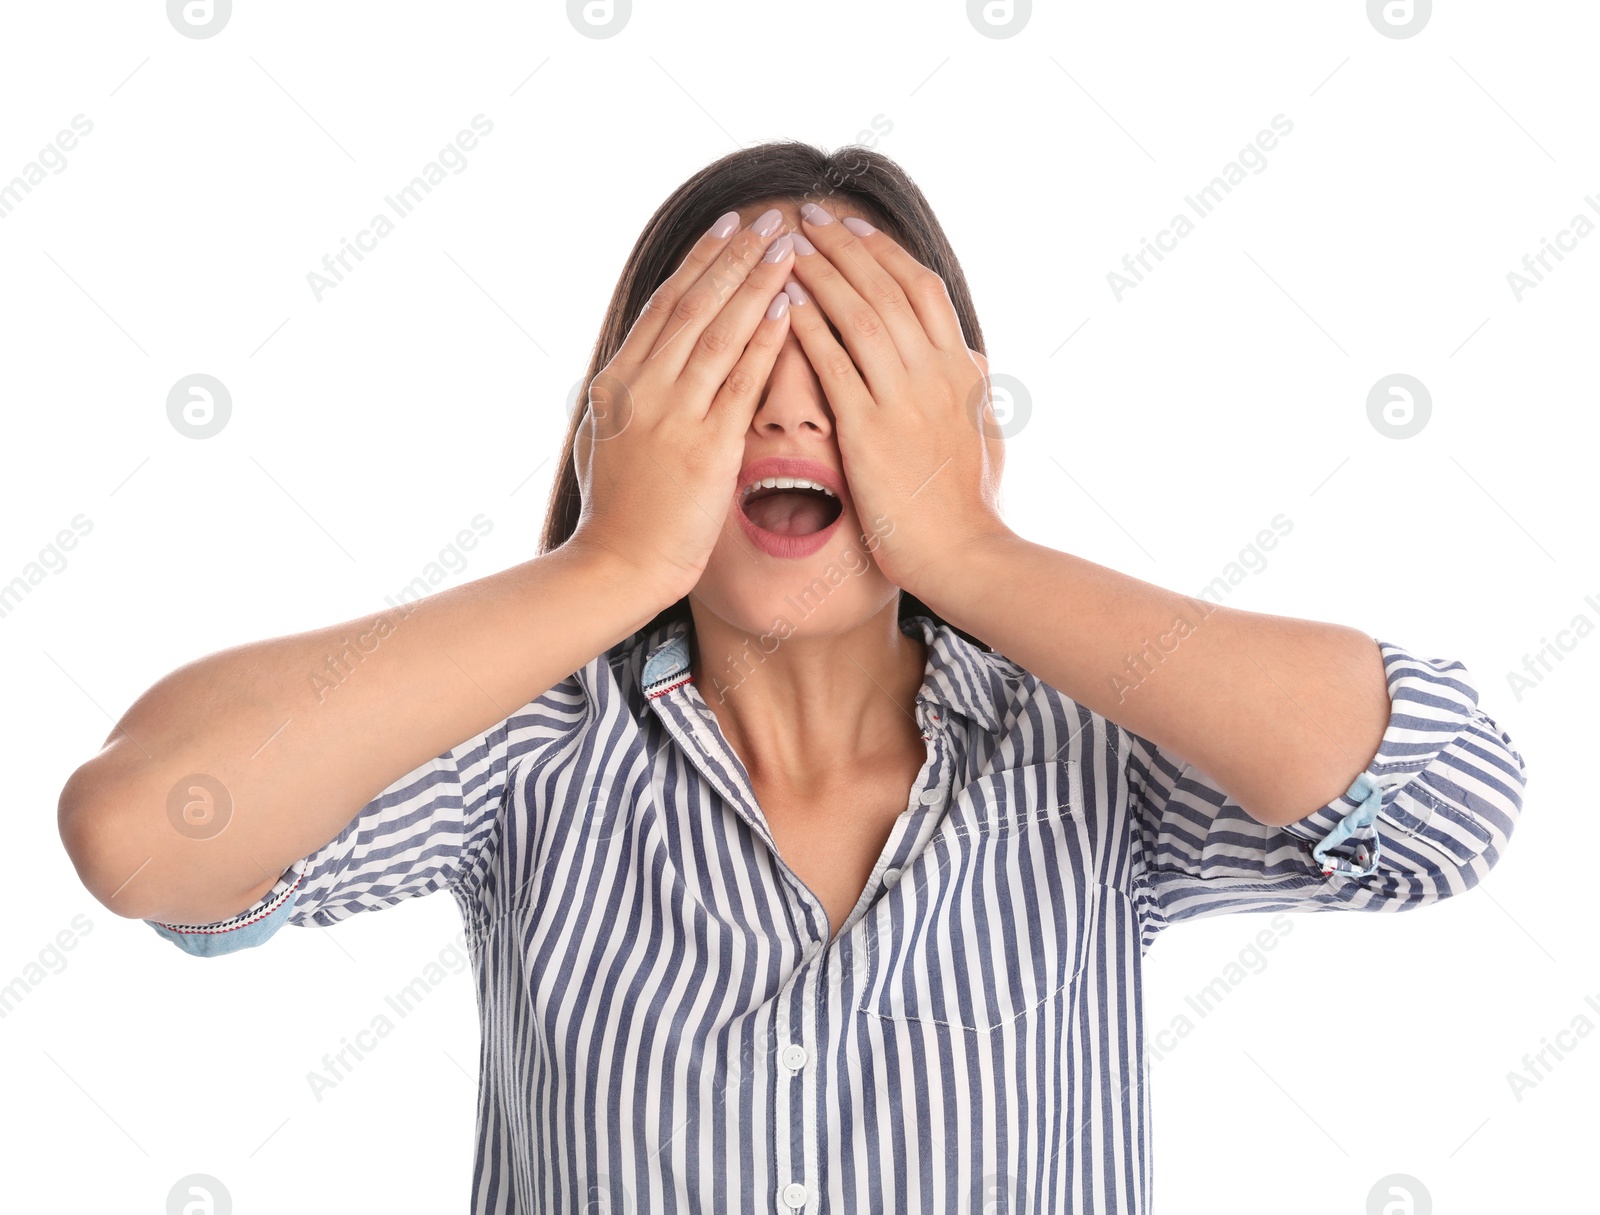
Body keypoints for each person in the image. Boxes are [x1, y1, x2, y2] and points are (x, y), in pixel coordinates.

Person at [57, 141, 1528, 1213]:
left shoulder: (1095, 756)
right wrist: (606, 566)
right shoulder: (528, 753)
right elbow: (149, 834)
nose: (786, 410)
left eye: (852, 367)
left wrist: (969, 544)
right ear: (624, 425)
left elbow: (1447, 806)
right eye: (726, 365)